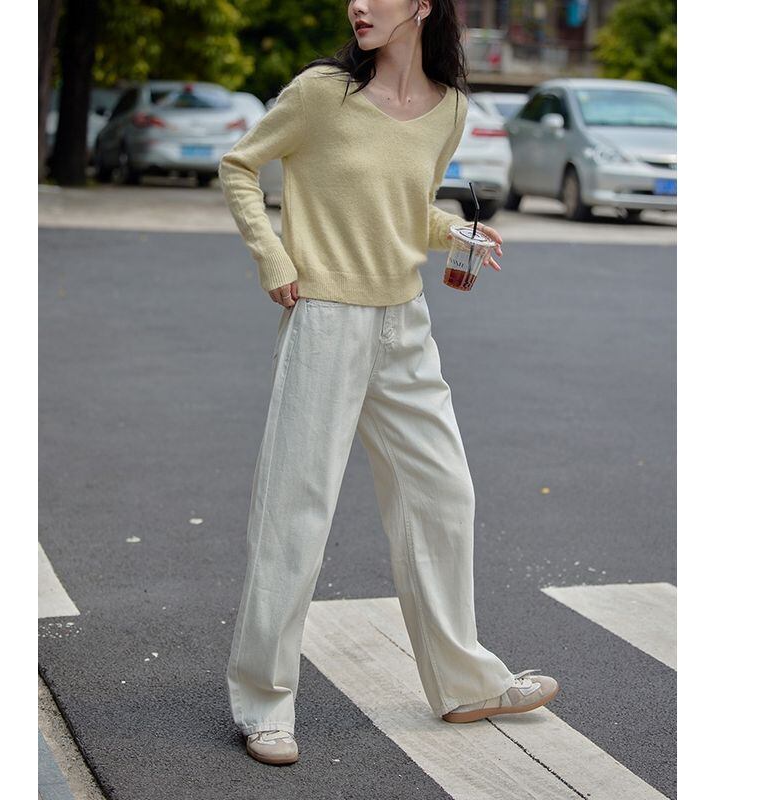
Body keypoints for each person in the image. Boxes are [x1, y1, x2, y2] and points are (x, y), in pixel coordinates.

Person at [218, 0, 559, 767]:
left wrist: (455, 231)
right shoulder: (321, 95)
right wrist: (273, 256)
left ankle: (463, 683)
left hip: (405, 325)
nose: (360, 5)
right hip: (325, 318)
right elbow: (239, 165)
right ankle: (264, 702)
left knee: (443, 495)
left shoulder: (450, 111)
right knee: (295, 511)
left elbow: (407, 210)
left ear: (423, 7)